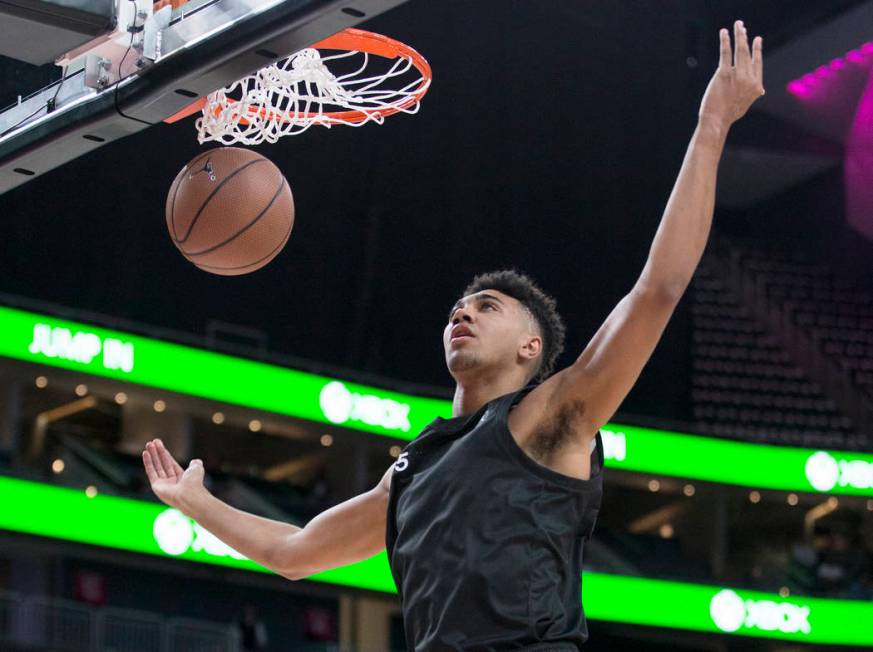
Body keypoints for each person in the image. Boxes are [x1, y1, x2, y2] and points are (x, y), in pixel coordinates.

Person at [143, 21, 765, 651]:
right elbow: (295, 552)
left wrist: (712, 126)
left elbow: (657, 290)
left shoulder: (552, 416)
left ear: (531, 348)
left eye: (487, 307)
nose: (460, 313)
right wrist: (194, 502)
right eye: (458, 308)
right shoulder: (412, 471)